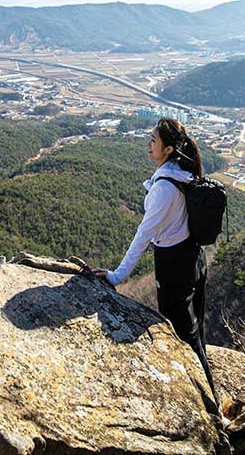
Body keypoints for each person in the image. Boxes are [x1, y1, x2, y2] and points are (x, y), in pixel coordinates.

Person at [93, 117, 217, 400]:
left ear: (169, 149)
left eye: (153, 141)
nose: (148, 144)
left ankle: (208, 403)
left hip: (175, 267)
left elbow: (143, 236)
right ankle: (206, 392)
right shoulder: (181, 172)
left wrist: (117, 276)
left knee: (184, 335)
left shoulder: (164, 187)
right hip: (195, 258)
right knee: (195, 332)